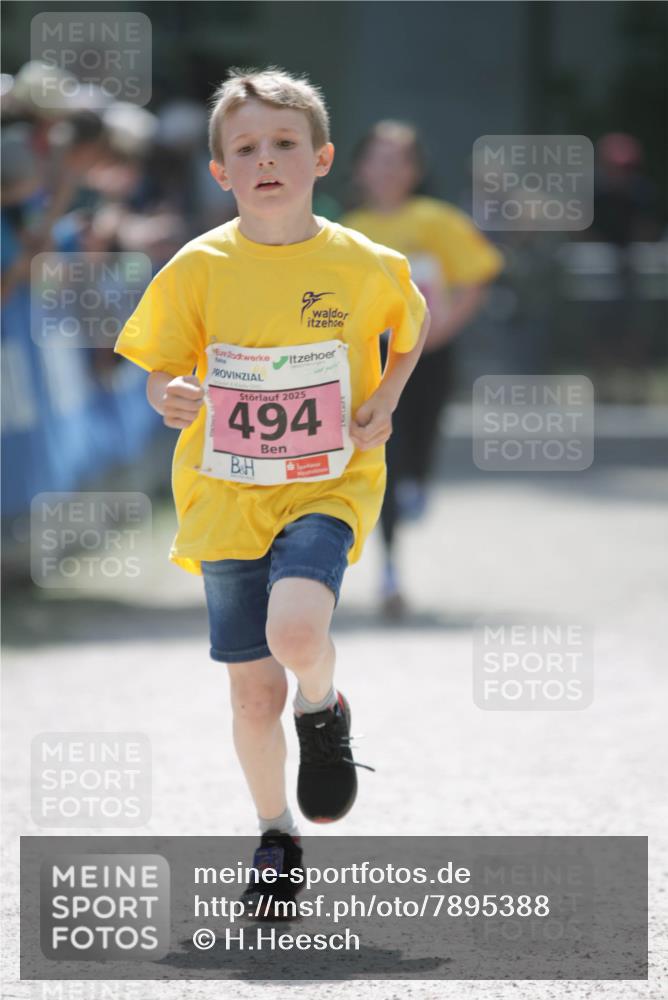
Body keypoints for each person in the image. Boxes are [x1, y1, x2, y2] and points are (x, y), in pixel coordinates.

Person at [114, 68, 430, 918]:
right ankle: (275, 834)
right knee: (253, 692)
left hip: (327, 481)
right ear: (220, 171)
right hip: (224, 493)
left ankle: (323, 709)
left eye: (285, 144)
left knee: (296, 632)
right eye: (245, 148)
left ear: (321, 158)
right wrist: (167, 395)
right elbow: (162, 367)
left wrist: (385, 401)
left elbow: (410, 330)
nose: (266, 161)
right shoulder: (197, 266)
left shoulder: (365, 263)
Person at [341, 121, 504, 618]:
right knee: (382, 454)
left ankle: (417, 484)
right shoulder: (346, 230)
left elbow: (478, 275)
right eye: (378, 158)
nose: (388, 170)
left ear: (415, 170)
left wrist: (444, 327)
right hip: (374, 365)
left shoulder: (437, 220)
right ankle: (390, 569)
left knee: (420, 448)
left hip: (430, 357)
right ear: (360, 167)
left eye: (399, 160)